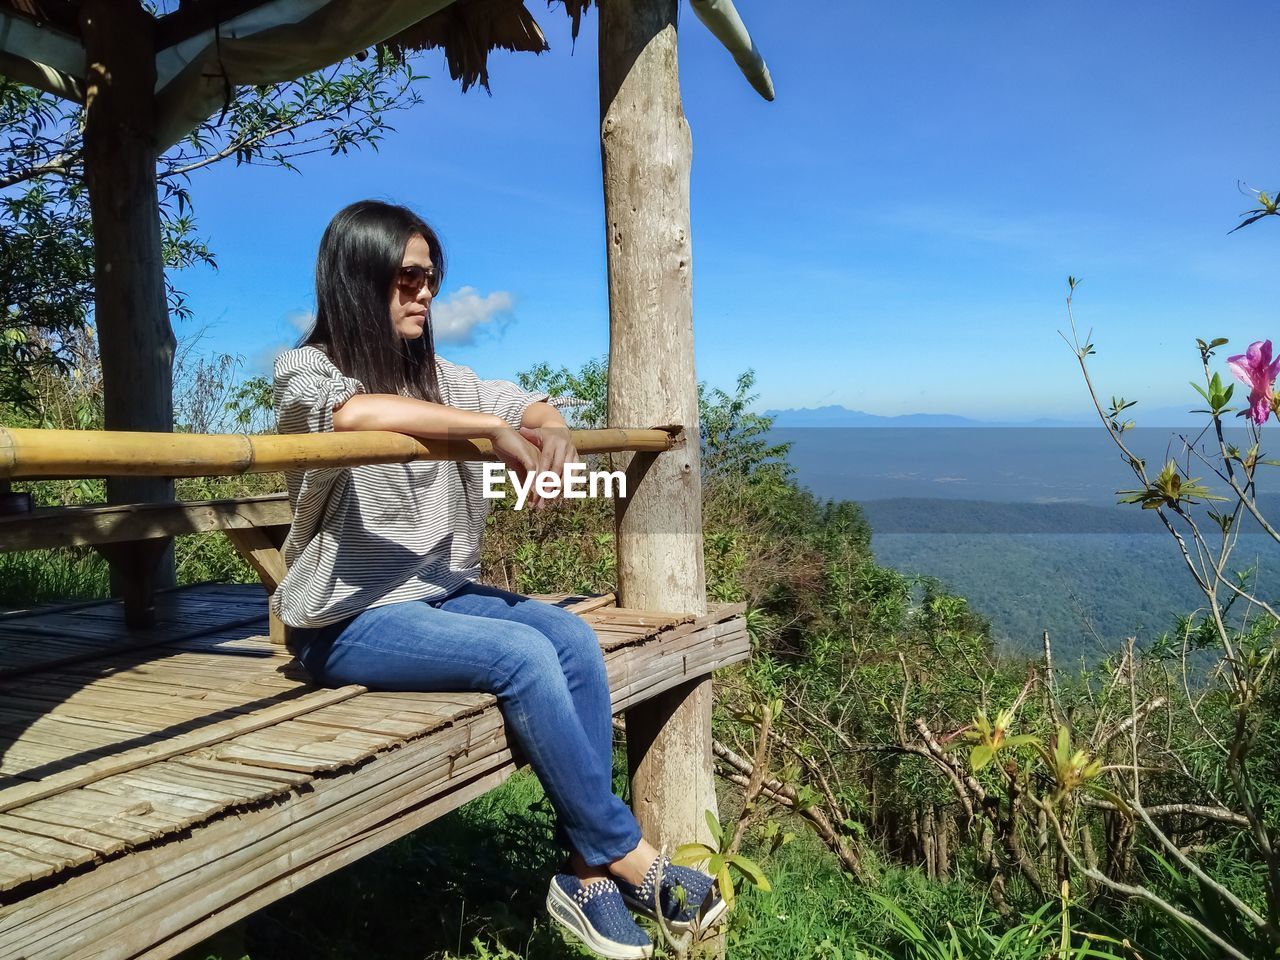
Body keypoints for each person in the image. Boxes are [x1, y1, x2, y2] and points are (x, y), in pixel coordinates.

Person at [271, 199, 724, 960]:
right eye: (407, 277)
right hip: (347, 620)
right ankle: (634, 860)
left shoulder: (444, 377)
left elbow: (532, 405)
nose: (425, 293)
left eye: (432, 278)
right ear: (360, 276)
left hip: (438, 594)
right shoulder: (308, 369)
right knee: (522, 658)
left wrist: (550, 435)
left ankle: (586, 877)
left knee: (572, 637)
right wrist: (486, 431)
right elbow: (350, 417)